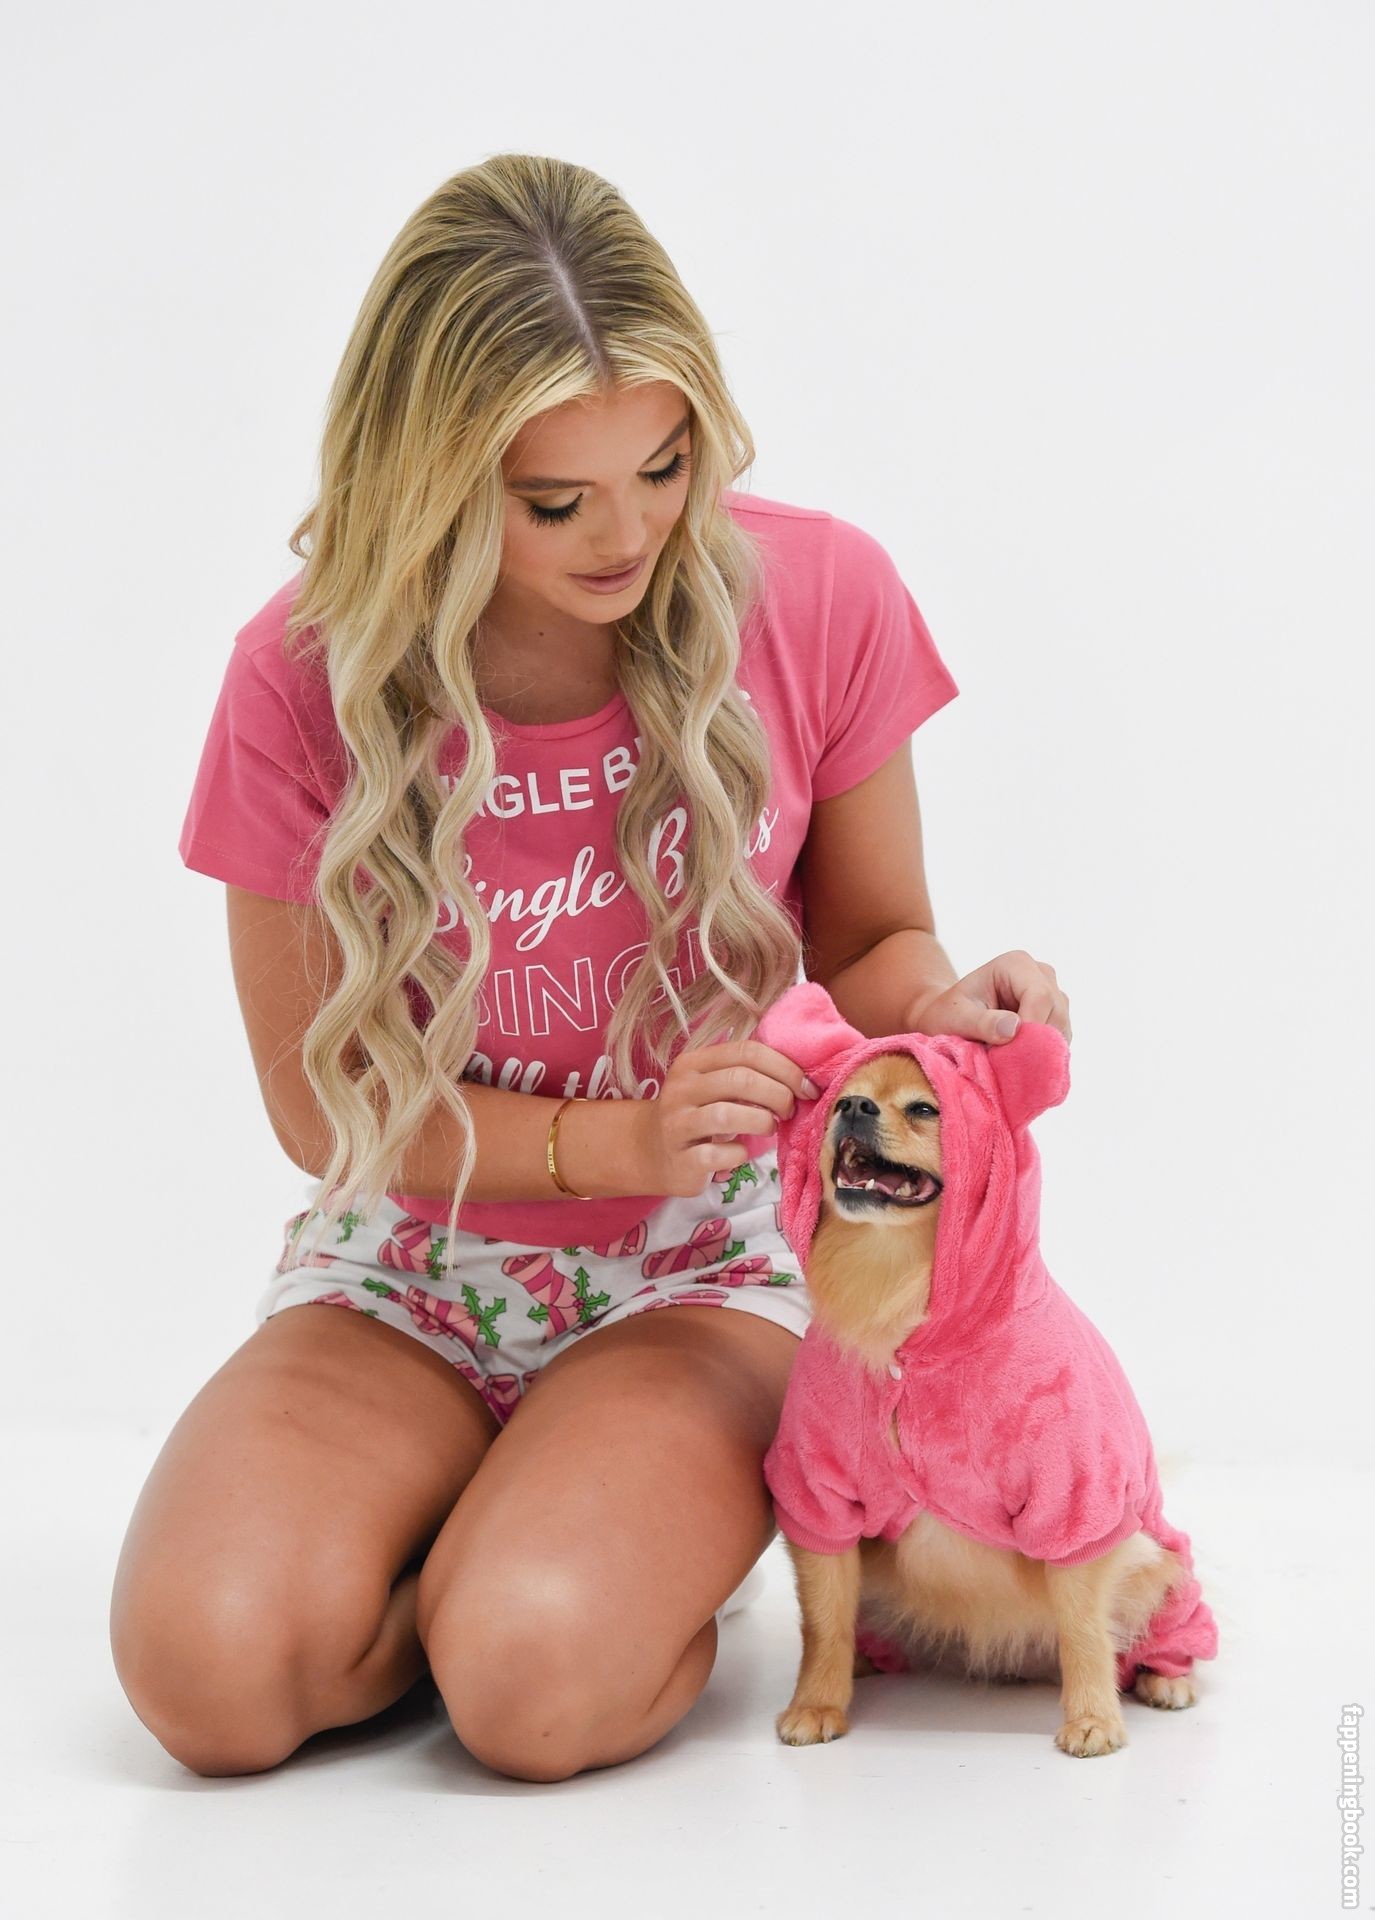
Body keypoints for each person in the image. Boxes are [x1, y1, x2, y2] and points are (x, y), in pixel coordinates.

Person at [109, 152, 1069, 1787]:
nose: (629, 533)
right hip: (410, 1262)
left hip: (703, 1264)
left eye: (666, 464)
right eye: (555, 501)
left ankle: (557, 1569)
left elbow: (867, 941)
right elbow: (320, 1110)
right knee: (207, 1680)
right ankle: (493, 1542)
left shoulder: (816, 593)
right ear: (425, 477)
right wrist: (611, 1139)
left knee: (533, 1690)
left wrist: (938, 1001)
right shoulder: (300, 676)